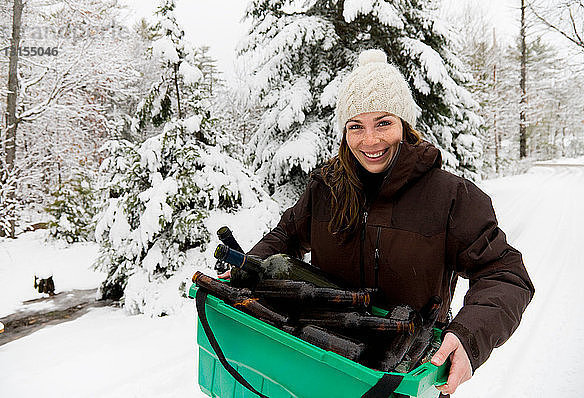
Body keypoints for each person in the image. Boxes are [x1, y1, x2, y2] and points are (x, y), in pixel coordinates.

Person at [219, 49, 534, 396]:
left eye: (383, 122)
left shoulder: (451, 197)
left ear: (404, 124)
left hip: (406, 369)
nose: (370, 140)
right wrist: (247, 267)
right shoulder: (325, 188)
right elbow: (285, 237)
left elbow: (505, 274)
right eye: (356, 126)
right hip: (324, 359)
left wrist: (468, 336)